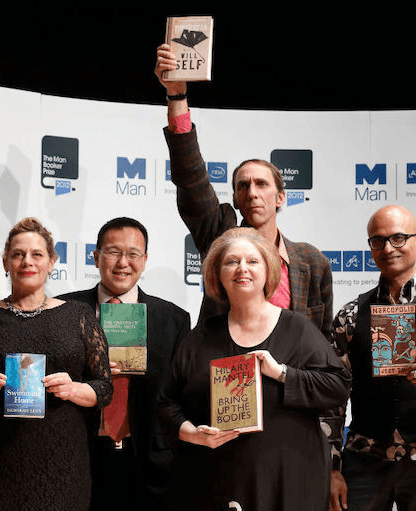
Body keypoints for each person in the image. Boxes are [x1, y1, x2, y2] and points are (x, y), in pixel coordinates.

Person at [158, 227, 352, 511]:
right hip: (216, 484)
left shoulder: (297, 329)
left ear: (268, 270)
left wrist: (282, 373)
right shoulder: (199, 338)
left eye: (252, 261)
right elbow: (165, 403)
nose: (242, 269)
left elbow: (337, 386)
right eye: (232, 261)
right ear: (218, 273)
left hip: (291, 481)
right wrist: (191, 433)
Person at [154, 44, 333, 340]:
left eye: (262, 184)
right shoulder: (221, 238)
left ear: (281, 197)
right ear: (236, 199)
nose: (252, 192)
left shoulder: (313, 262)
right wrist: (177, 95)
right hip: (229, 376)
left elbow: (324, 344)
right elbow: (191, 178)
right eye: (243, 185)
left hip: (290, 382)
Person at [0, 217, 113, 510]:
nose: (26, 261)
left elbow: (104, 388)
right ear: (6, 262)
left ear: (51, 262)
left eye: (37, 254)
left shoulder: (78, 316)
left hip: (63, 458)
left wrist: (73, 389)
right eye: (18, 254)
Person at [57, 217, 191, 511]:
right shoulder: (62, 311)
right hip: (80, 458)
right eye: (113, 252)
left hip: (149, 464)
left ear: (144, 260)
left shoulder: (173, 320)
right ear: (95, 257)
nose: (123, 262)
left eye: (133, 254)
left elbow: (180, 395)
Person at [330, 205, 416, 511]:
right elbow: (332, 398)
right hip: (365, 455)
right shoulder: (351, 315)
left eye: (398, 238)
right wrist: (332, 466)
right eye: (378, 240)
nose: (388, 248)